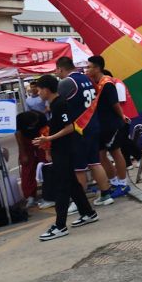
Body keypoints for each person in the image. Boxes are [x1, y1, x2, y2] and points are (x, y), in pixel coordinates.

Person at [33, 74, 97, 241]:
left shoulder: (60, 104)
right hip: (61, 149)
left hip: (65, 150)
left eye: (39, 89)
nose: (38, 92)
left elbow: (70, 127)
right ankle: (88, 213)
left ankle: (60, 225)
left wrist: (48, 139)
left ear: (46, 90)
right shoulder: (54, 105)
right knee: (72, 184)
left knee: (61, 187)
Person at [55, 55, 113, 206]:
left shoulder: (67, 82)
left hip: (80, 128)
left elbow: (58, 103)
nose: (57, 74)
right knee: (95, 161)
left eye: (57, 71)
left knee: (79, 167)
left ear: (61, 69)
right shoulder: (87, 78)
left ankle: (80, 203)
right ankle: (106, 194)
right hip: (93, 124)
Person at [86, 55, 131, 197]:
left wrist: (122, 117)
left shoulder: (107, 83)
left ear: (98, 68)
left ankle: (123, 184)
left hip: (112, 125)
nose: (87, 70)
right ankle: (114, 182)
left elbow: (115, 104)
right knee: (101, 155)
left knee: (116, 152)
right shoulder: (94, 83)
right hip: (100, 126)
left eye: (89, 67)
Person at [16, 109, 48, 208]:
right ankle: (30, 196)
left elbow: (46, 133)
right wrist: (23, 152)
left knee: (46, 164)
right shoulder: (20, 119)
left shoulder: (41, 117)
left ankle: (49, 193)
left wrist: (47, 151)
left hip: (41, 137)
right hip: (25, 140)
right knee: (27, 167)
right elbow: (18, 135)